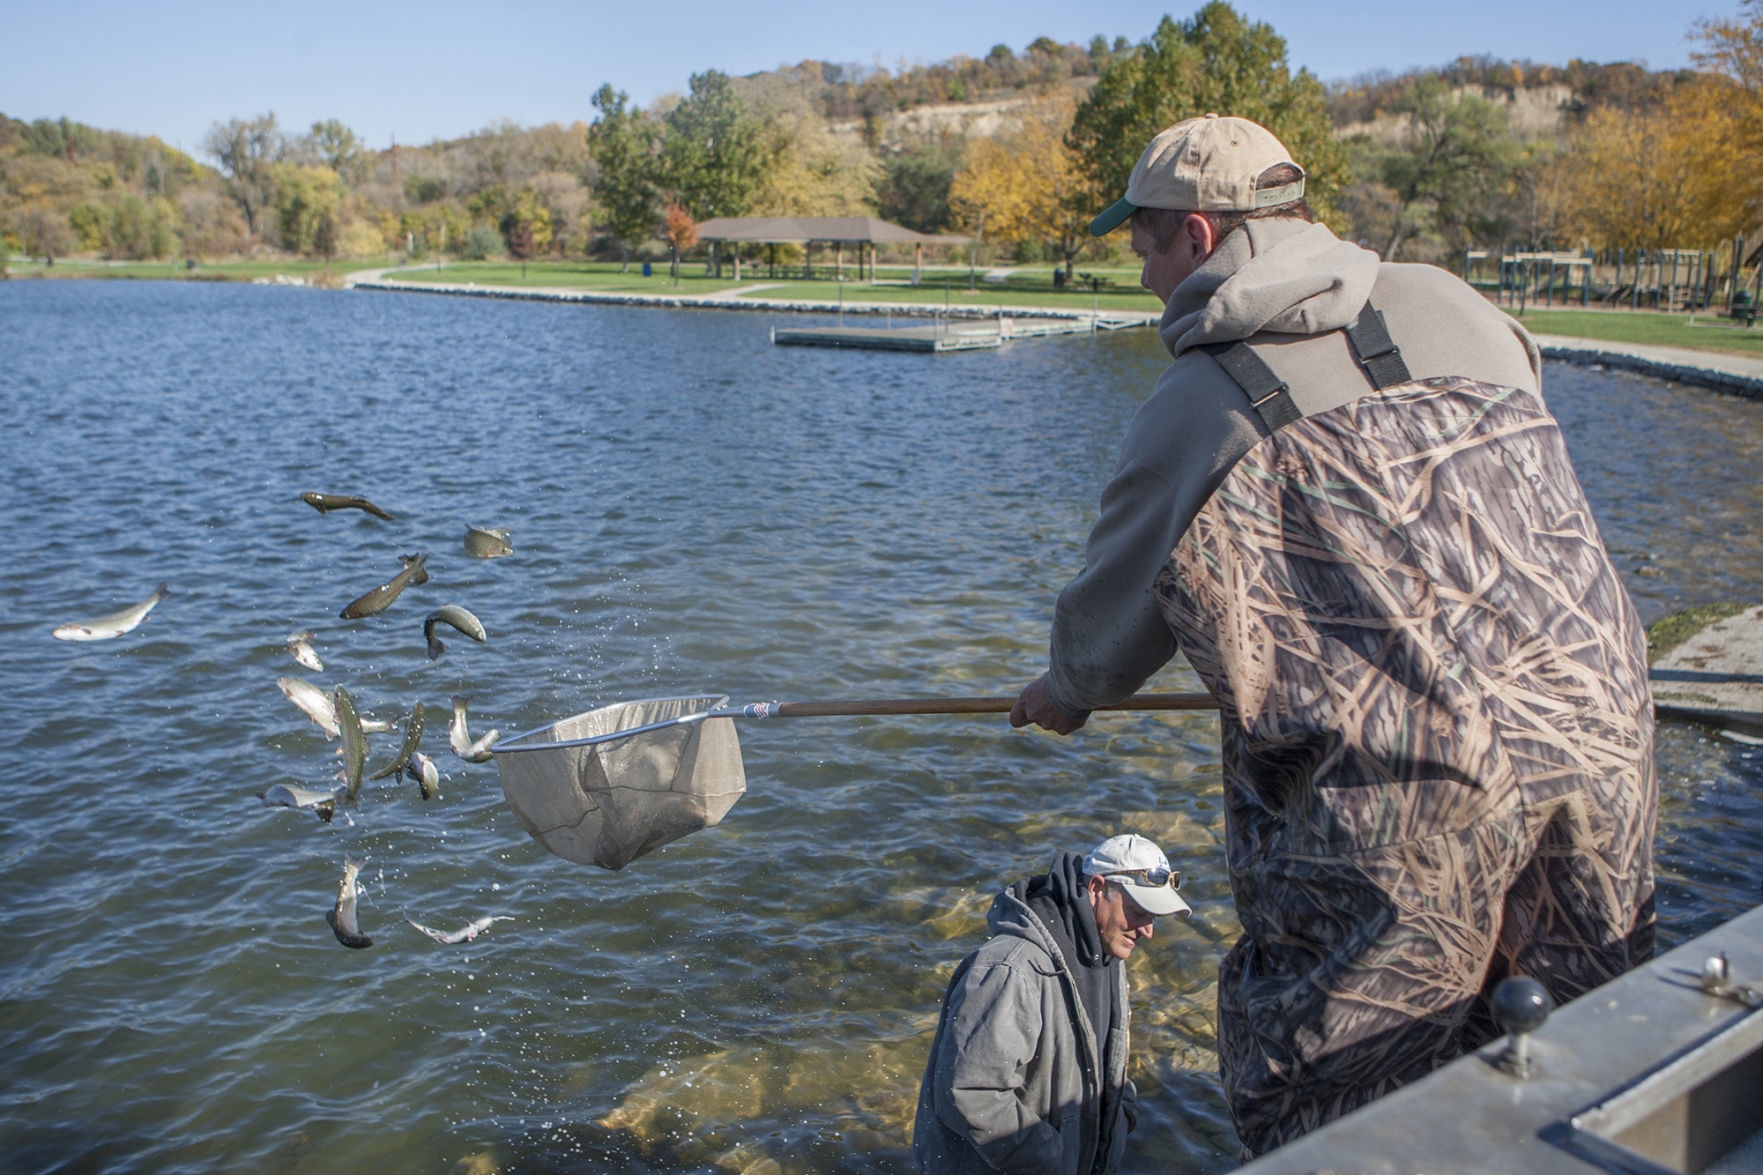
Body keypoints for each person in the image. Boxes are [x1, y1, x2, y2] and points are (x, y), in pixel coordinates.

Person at [1009, 114, 1657, 1157]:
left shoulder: (1198, 402)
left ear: (1200, 234)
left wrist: (1059, 694)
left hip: (1404, 797)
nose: (1138, 273)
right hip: (1601, 730)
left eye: (1142, 243)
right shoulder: (1454, 301)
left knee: (1336, 1103)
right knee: (1573, 1058)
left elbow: (1101, 646)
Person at [913, 834, 1191, 1175]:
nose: (1148, 930)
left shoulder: (1108, 957)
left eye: (1154, 917)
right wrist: (1052, 1158)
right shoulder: (1010, 970)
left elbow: (1104, 1057)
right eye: (1137, 911)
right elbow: (970, 1093)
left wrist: (1119, 1114)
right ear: (1097, 888)